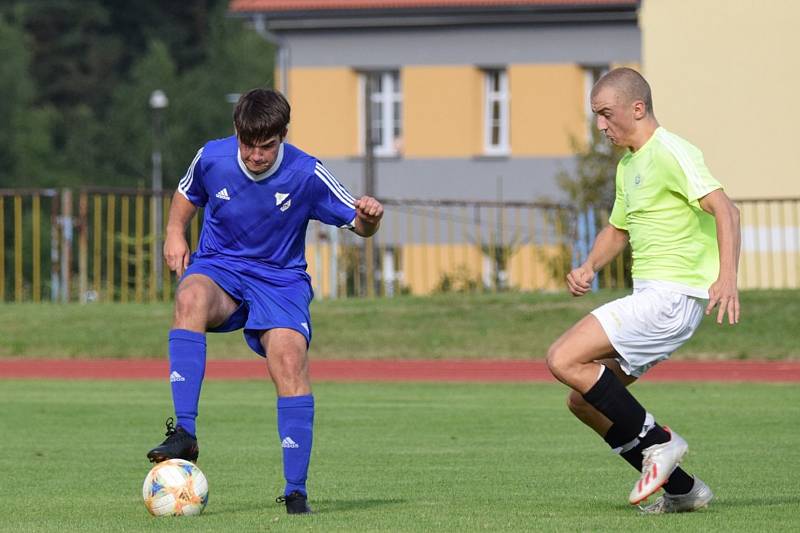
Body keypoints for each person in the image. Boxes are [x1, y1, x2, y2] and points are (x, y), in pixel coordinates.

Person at [146, 88, 383, 515]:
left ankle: (296, 492)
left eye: (267, 146)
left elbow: (359, 223)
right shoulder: (212, 157)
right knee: (190, 294)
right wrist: (174, 232)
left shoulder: (307, 172)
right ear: (237, 133)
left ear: (283, 136)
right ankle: (185, 432)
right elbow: (186, 193)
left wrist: (368, 217)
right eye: (248, 144)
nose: (256, 155)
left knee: (289, 359)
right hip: (221, 268)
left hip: (280, 280)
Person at [546, 68, 740, 514]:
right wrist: (589, 266)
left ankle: (660, 441)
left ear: (637, 109)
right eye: (596, 116)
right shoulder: (630, 164)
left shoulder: (671, 150)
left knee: (563, 358)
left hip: (669, 298)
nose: (600, 126)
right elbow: (618, 229)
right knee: (583, 400)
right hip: (656, 298)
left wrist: (726, 277)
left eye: (605, 114)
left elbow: (726, 211)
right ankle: (683, 490)